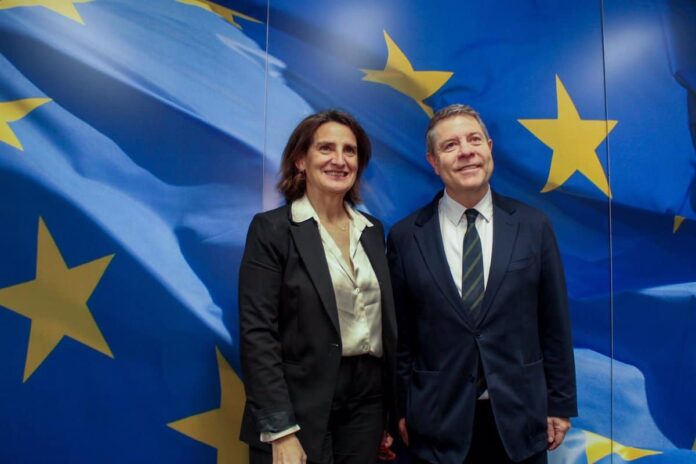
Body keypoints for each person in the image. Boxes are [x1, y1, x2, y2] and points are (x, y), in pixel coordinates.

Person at [387, 104, 577, 464]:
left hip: (520, 420)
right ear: (433, 162)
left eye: (474, 140)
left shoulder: (533, 226)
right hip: (436, 424)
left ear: (489, 148)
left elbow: (554, 323)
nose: (466, 151)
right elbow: (401, 338)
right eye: (450, 145)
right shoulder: (406, 237)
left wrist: (560, 403)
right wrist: (399, 409)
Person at [239, 110, 397, 464]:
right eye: (326, 148)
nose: (339, 160)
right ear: (300, 160)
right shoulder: (272, 230)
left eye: (350, 151)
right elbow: (258, 333)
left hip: (367, 404)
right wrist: (280, 429)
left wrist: (388, 414)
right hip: (298, 403)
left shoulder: (372, 231)